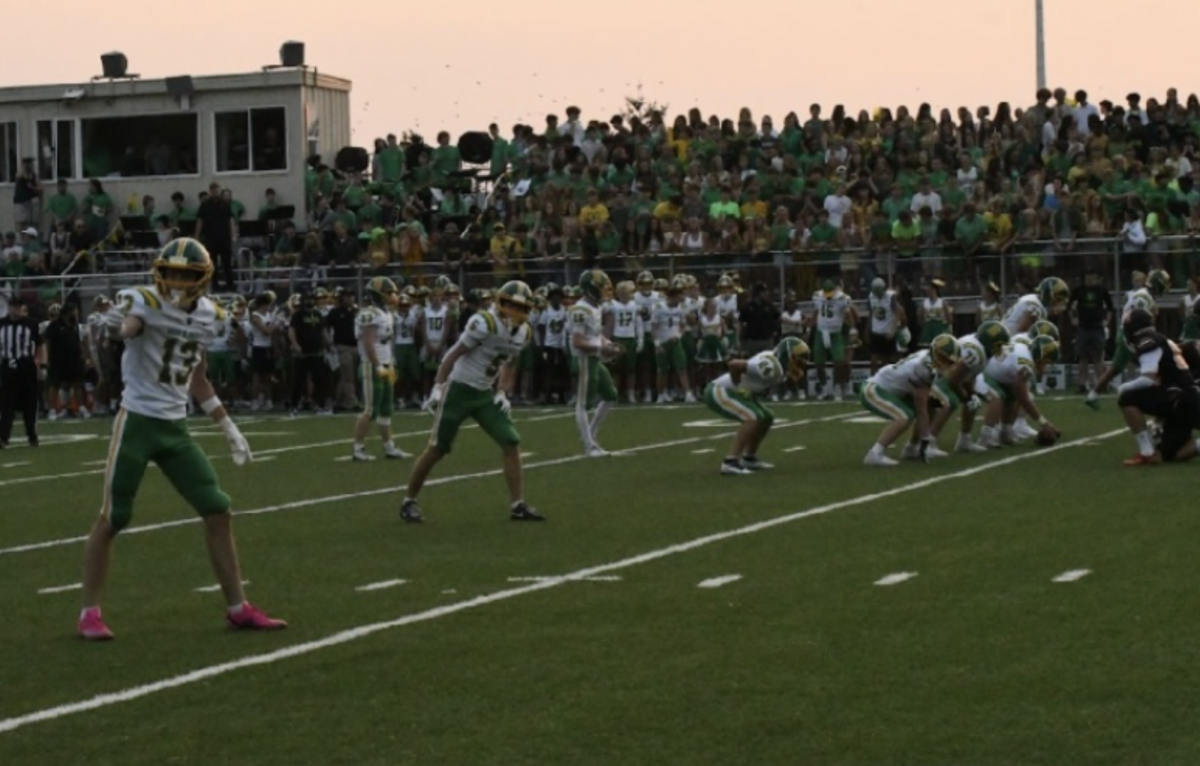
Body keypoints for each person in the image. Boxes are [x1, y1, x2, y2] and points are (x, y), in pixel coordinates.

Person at [78, 237, 284, 640]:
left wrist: (227, 426)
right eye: (169, 273)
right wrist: (116, 328)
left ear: (200, 279)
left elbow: (198, 378)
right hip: (136, 421)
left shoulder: (208, 315)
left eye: (184, 275)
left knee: (217, 508)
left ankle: (238, 607)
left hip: (175, 427)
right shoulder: (145, 302)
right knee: (115, 516)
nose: (174, 281)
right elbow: (130, 327)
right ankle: (89, 612)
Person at [400, 280, 545, 523]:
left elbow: (509, 363)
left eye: (521, 308)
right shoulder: (484, 322)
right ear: (500, 303)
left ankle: (518, 504)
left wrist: (502, 392)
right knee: (437, 448)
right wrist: (438, 386)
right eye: (511, 305)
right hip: (458, 390)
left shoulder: (524, 332)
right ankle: (408, 501)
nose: (515, 312)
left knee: (511, 441)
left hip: (484, 394)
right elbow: (453, 354)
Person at [703, 336, 808, 475]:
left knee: (766, 417)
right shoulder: (771, 366)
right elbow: (734, 364)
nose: (801, 363)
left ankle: (749, 458)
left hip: (732, 392)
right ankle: (730, 462)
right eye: (797, 358)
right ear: (786, 355)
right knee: (752, 417)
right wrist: (737, 386)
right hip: (719, 390)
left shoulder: (777, 366)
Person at [1116, 308, 1200, 466]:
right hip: (1188, 398)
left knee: (1127, 398)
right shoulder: (1160, 338)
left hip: (1178, 398)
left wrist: (1124, 387)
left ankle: (1146, 452)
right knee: (1173, 455)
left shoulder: (1147, 340)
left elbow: (1148, 379)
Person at [861, 334, 960, 466]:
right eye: (943, 358)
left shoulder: (927, 360)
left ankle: (912, 448)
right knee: (904, 416)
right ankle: (875, 453)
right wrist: (925, 439)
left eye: (949, 361)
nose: (946, 363)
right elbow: (921, 408)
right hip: (875, 389)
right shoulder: (924, 368)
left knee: (932, 408)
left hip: (894, 390)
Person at [352, 277, 409, 462]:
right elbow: (369, 342)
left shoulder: (386, 313)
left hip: (386, 363)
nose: (393, 296)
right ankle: (358, 448)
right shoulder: (370, 313)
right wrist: (377, 365)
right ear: (379, 294)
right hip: (372, 365)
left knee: (386, 408)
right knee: (370, 410)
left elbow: (386, 343)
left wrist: (390, 364)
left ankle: (389, 447)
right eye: (389, 292)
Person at [570, 269, 620, 457]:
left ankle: (591, 436)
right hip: (584, 360)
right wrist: (601, 349)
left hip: (593, 358)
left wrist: (608, 344)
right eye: (602, 287)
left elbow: (594, 334)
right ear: (591, 289)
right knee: (583, 404)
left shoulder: (596, 307)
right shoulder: (580, 310)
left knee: (610, 394)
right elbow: (578, 341)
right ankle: (589, 445)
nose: (606, 290)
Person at [0, 296, 43, 448]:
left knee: (30, 403)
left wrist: (39, 363)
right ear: (9, 307)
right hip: (7, 366)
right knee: (7, 404)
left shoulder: (31, 324)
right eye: (13, 306)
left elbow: (39, 344)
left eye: (19, 307)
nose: (16, 310)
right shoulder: (2, 324)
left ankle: (32, 435)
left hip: (26, 365)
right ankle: (3, 437)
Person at [1068, 270, 1115, 394]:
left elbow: (1110, 307)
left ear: (1097, 278)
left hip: (1097, 327)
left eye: (1093, 278)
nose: (1090, 281)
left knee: (1098, 358)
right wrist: (1073, 319)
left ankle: (1101, 384)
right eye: (1088, 278)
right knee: (1082, 357)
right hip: (1083, 327)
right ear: (1084, 279)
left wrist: (1107, 321)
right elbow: (1069, 306)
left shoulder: (1102, 290)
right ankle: (1082, 384)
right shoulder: (1078, 290)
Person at [288, 290, 329, 415]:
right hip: (302, 352)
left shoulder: (318, 314)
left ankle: (320, 405)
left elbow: (322, 330)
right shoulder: (297, 315)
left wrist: (327, 343)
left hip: (316, 351)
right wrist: (295, 344)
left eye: (311, 299)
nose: (309, 301)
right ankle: (294, 406)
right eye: (307, 299)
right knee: (299, 380)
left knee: (319, 380)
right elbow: (291, 330)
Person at [195, 182, 237, 292]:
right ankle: (215, 286)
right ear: (210, 191)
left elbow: (230, 220)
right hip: (210, 238)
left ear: (219, 190)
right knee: (212, 263)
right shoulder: (205, 204)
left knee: (226, 263)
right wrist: (197, 235)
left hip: (224, 237)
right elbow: (200, 220)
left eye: (217, 190)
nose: (215, 192)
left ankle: (230, 285)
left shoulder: (225, 204)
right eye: (213, 190)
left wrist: (233, 235)